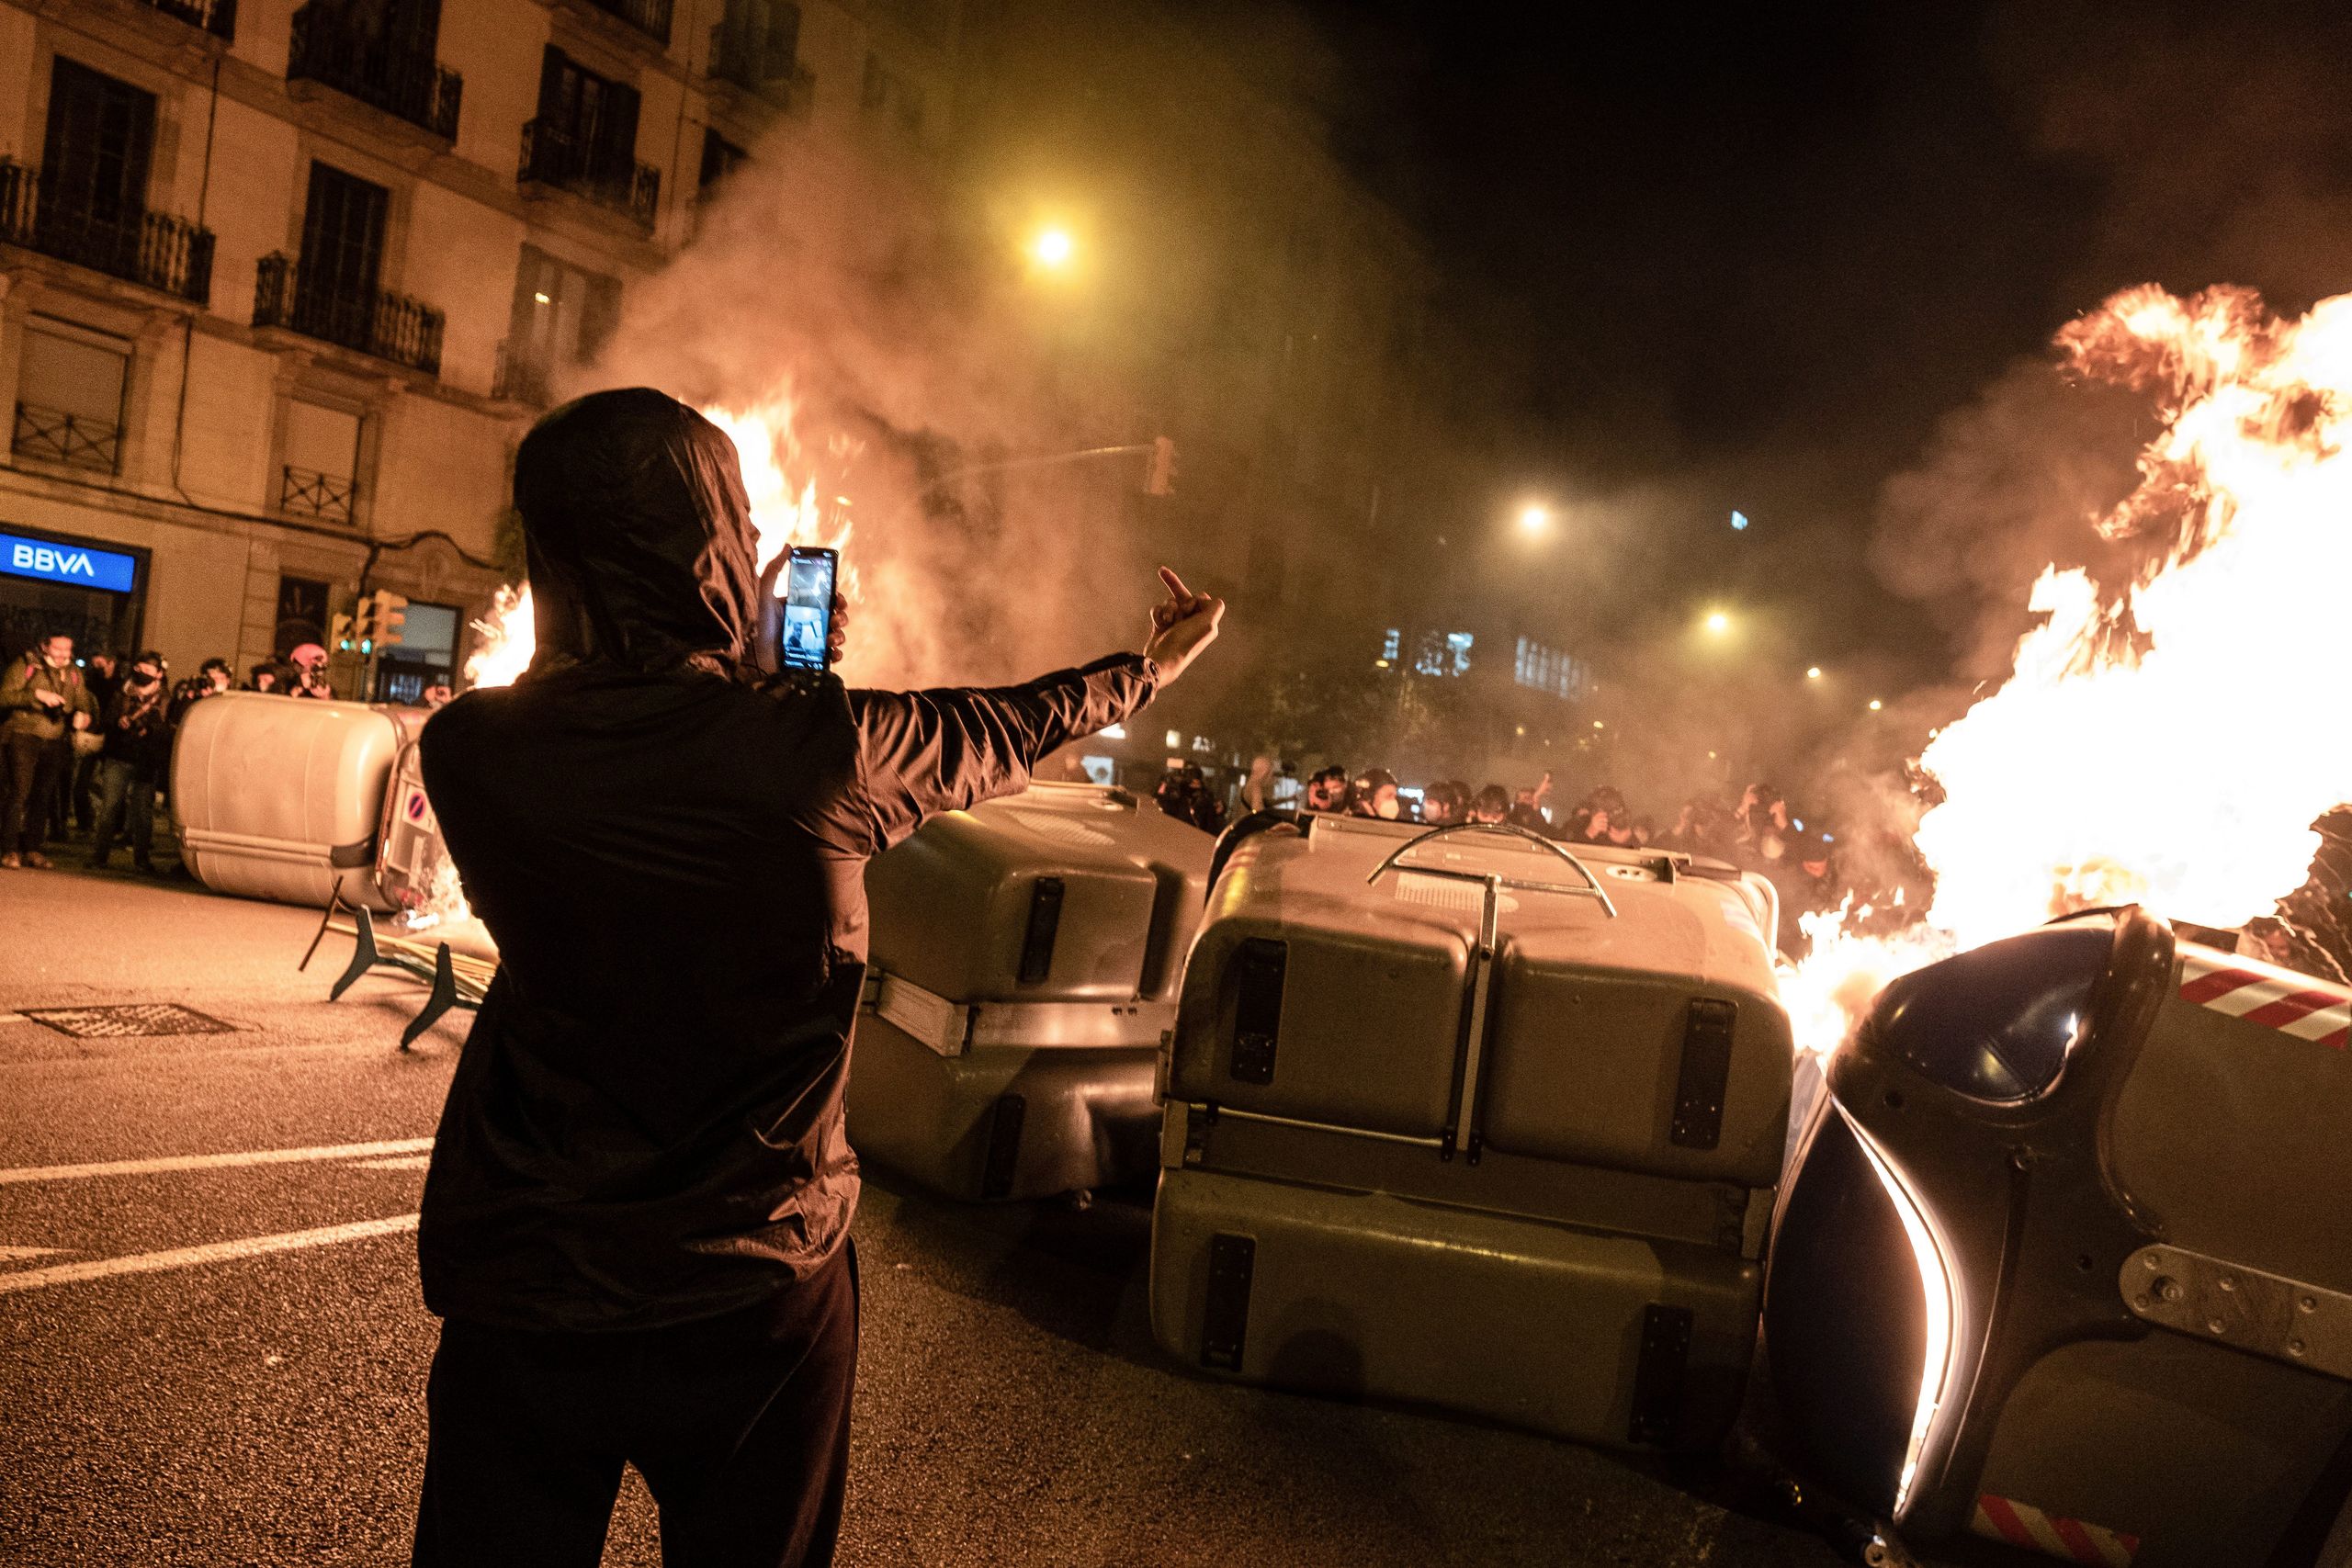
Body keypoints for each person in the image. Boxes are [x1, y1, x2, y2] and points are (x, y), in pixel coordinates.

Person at [408, 389, 1225, 1568]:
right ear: (709, 551)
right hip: (758, 1279)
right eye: (735, 526)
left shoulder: (471, 750)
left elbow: (647, 739)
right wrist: (1148, 668)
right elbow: (1007, 724)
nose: (752, 543)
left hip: (528, 1276)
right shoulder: (825, 747)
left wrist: (746, 669)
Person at [1, 634, 99, 869]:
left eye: (68, 649)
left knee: (43, 795)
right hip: (23, 734)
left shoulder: (74, 673)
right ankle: (9, 848)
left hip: (56, 739)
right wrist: (36, 695)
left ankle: (33, 848)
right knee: (19, 792)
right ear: (45, 647)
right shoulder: (26, 665)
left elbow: (83, 703)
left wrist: (84, 717)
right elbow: (4, 696)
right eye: (58, 648)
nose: (64, 654)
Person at [90, 652, 171, 873]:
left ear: (159, 674)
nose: (142, 673)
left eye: (148, 670)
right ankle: (99, 856)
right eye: (139, 668)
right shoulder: (123, 692)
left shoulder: (165, 699)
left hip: (146, 761)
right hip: (119, 756)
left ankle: (141, 859)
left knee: (142, 812)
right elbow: (107, 719)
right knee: (109, 808)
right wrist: (118, 722)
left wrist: (150, 730)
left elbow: (168, 729)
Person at [71, 650, 120, 833]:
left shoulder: (120, 686)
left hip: (112, 740)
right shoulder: (90, 683)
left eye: (100, 665)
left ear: (111, 663)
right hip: (91, 737)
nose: (96, 669)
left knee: (113, 787)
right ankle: (85, 822)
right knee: (81, 784)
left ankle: (116, 827)